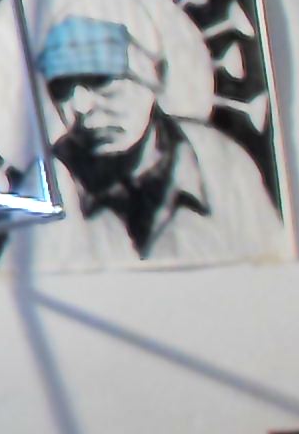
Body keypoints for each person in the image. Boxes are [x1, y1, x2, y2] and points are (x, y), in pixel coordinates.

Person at [34, 14, 284, 267]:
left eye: (101, 80)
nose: (80, 107)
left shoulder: (220, 162)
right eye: (61, 89)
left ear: (155, 77)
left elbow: (272, 258)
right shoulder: (45, 181)